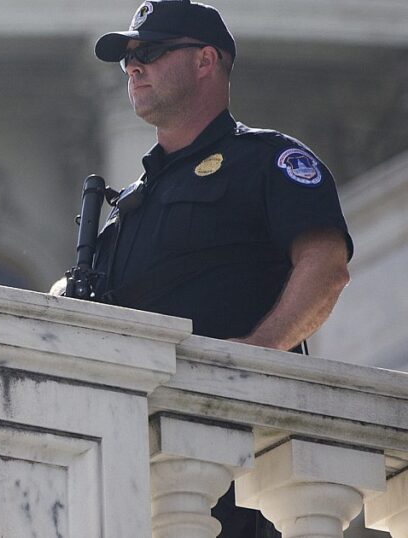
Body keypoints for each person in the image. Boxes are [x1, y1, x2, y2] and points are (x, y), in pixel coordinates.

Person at [51, 1, 353, 535]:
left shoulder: (266, 161)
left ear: (205, 60)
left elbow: (325, 266)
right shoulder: (130, 210)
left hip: (245, 456)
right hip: (146, 471)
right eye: (127, 59)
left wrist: (257, 354)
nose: (133, 67)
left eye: (150, 52)